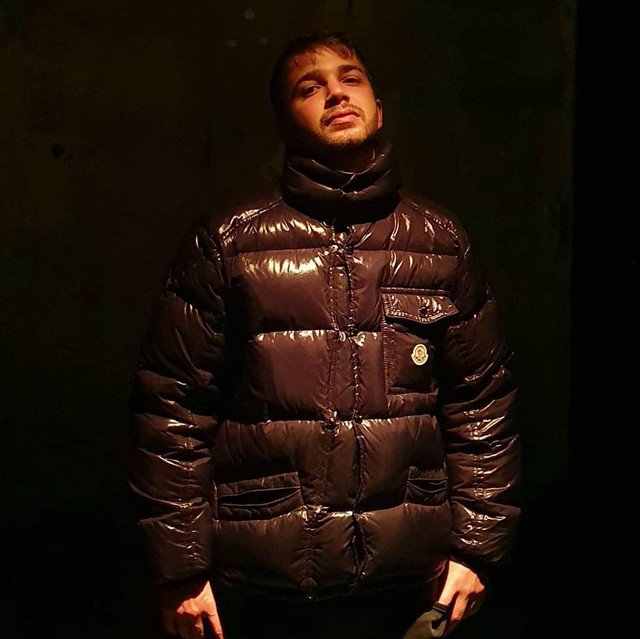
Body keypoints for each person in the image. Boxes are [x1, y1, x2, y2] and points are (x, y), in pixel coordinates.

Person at [128, 32, 520, 639]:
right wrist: (180, 571)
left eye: (350, 78)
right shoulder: (229, 243)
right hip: (263, 587)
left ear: (378, 109)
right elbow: (172, 409)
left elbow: (481, 402)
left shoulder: (440, 242)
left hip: (409, 582)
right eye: (310, 88)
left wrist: (476, 550)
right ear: (285, 122)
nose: (336, 93)